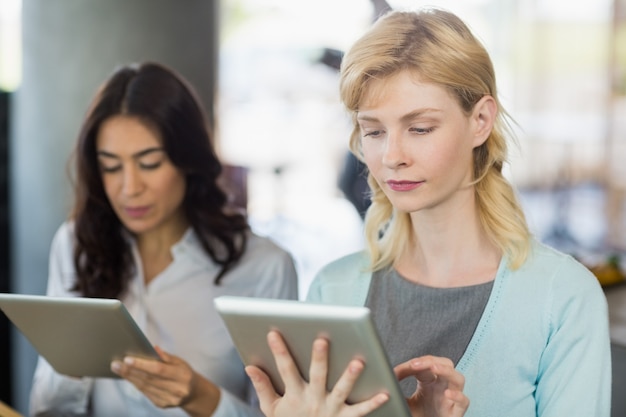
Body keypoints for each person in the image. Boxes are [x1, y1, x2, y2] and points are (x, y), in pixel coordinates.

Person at [245, 7, 611, 417]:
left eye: (419, 128)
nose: (391, 156)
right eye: (374, 131)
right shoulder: (333, 291)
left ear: (481, 120)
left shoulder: (562, 298)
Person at [29, 62, 298, 417]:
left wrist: (201, 397)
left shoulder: (263, 267)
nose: (129, 188)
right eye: (111, 167)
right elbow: (45, 409)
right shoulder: (77, 244)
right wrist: (73, 361)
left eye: (150, 163)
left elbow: (285, 413)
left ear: (188, 159)